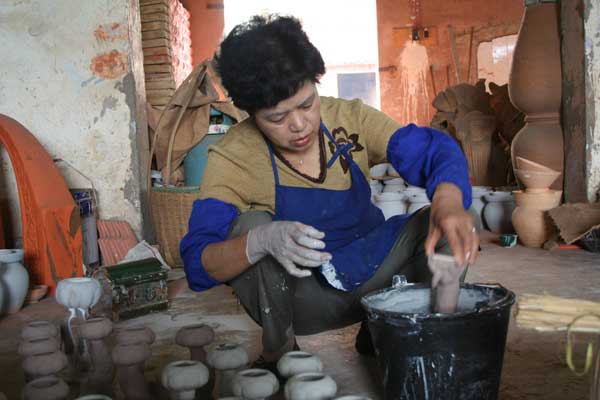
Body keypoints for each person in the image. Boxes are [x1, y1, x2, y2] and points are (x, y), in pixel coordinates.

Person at [180, 14, 478, 372]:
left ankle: (408, 336)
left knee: (453, 217)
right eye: (277, 118)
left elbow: (434, 150)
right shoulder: (235, 155)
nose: (299, 124)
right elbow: (198, 262)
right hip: (304, 296)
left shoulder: (349, 118)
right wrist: (258, 241)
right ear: (250, 113)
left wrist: (446, 200)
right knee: (248, 226)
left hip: (372, 271)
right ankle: (281, 352)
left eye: (307, 104)